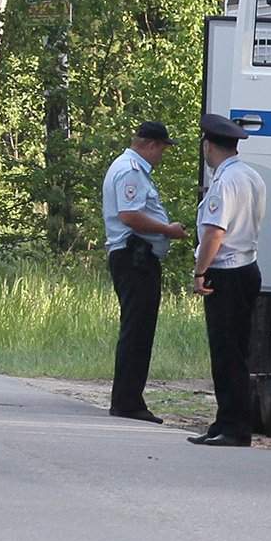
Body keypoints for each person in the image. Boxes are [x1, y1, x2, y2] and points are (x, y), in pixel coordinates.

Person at [100, 121, 190, 423]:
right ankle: (127, 401)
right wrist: (168, 230)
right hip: (135, 257)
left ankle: (128, 397)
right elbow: (130, 215)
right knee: (137, 330)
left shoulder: (127, 166)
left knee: (138, 328)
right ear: (150, 144)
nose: (161, 155)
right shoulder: (131, 170)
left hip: (135, 257)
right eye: (162, 149)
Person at [187, 114, 267, 448]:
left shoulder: (224, 183)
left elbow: (214, 233)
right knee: (236, 351)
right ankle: (225, 422)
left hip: (227, 272)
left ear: (209, 145)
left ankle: (234, 426)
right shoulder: (251, 177)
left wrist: (200, 271)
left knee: (226, 353)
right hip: (248, 266)